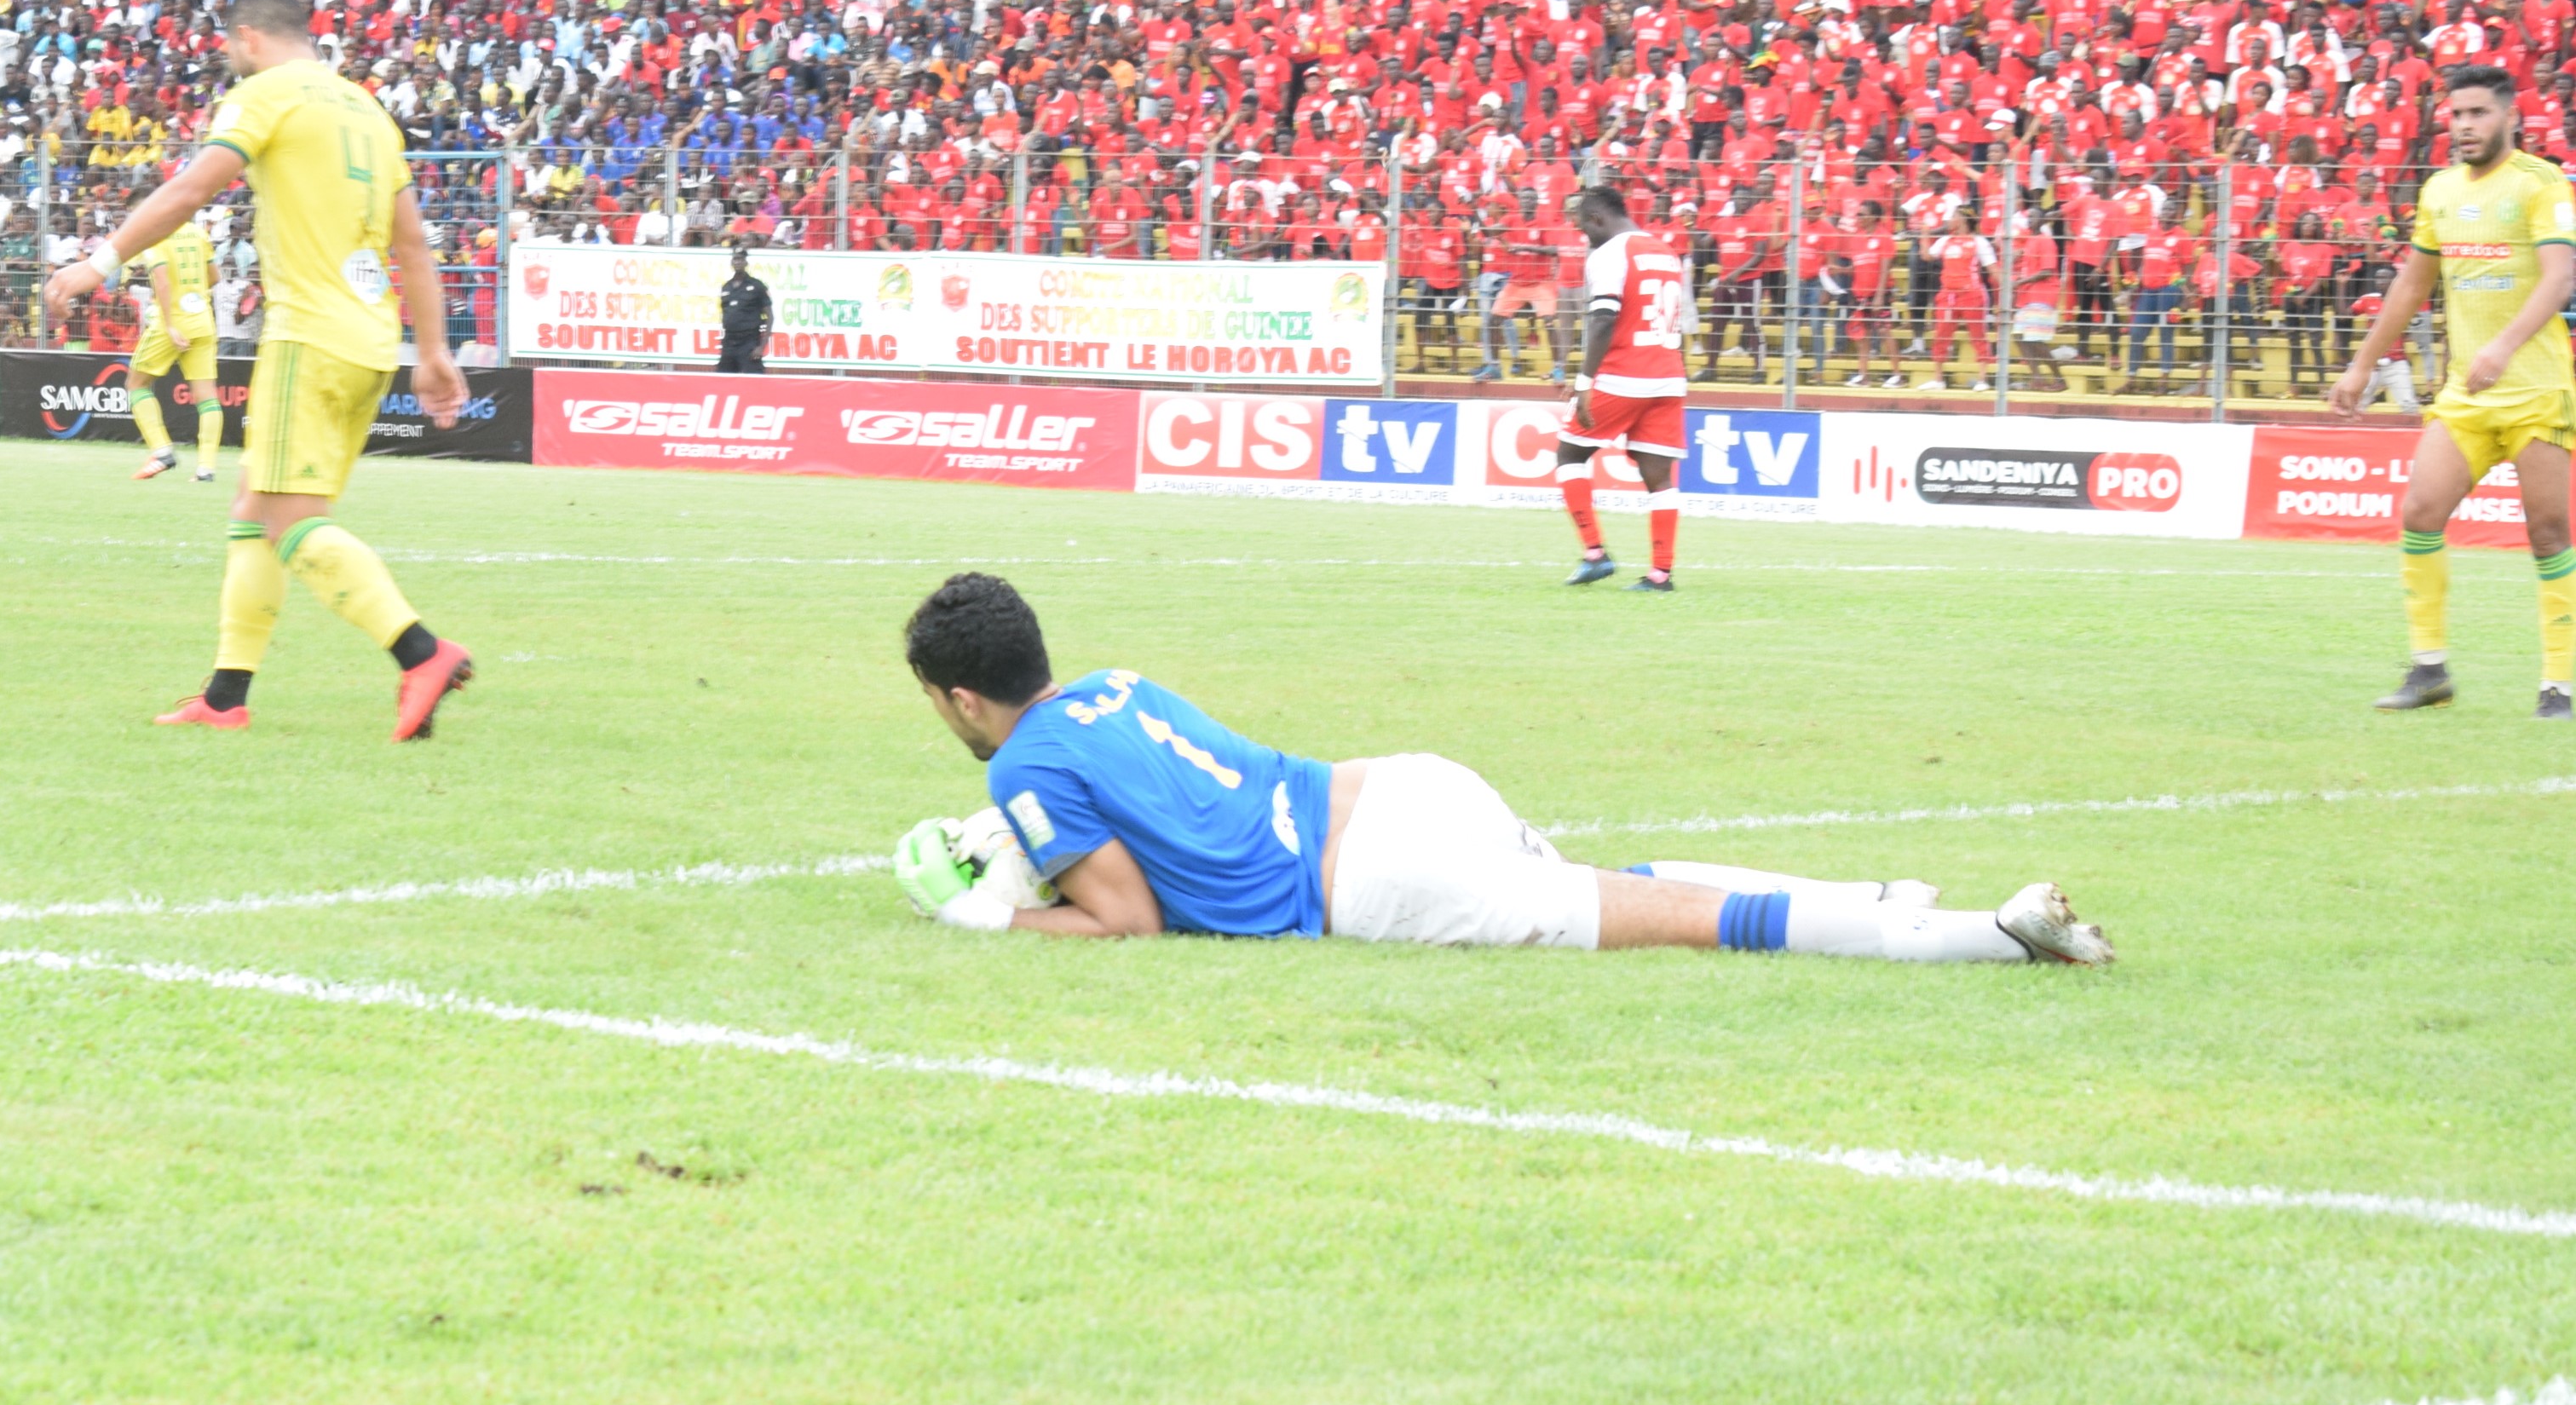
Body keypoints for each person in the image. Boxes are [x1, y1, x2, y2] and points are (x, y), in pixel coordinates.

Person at [895, 573, 2113, 963]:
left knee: (1676, 923)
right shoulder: (1114, 684)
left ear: (959, 698)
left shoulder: (1023, 771)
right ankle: (1880, 897)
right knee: (1628, 886)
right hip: (1404, 785)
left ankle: (1993, 935)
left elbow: (1129, 920)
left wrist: (989, 911)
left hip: (1375, 878)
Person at [44, 0, 476, 741]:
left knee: (289, 523)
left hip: (309, 336)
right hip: (370, 341)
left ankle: (420, 652)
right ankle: (225, 697)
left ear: (248, 38)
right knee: (255, 510)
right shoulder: (368, 111)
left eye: (228, 46)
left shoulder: (266, 93)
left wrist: (99, 263)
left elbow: (191, 190)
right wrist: (434, 352)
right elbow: (413, 245)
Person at [2331, 60, 2576, 717]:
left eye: (2478, 113)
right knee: (2419, 512)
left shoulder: (2540, 183)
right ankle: (2429, 671)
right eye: (2457, 114)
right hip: (2468, 395)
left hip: (2536, 390)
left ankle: (2559, 686)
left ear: (2509, 116)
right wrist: (2361, 366)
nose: (2464, 125)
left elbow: (2559, 277)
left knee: (2548, 533)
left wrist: (2503, 345)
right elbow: (2412, 285)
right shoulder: (2438, 190)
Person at [1556, 185, 1689, 591]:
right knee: (1659, 477)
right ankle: (1660, 575)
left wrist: (1584, 381)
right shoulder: (1665, 251)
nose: (1584, 237)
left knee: (1569, 454)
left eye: (1584, 227)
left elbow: (1604, 318)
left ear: (1597, 218)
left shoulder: (1611, 253)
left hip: (1624, 374)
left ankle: (1595, 554)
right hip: (1668, 374)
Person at [125, 204, 225, 481]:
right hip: (202, 321)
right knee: (207, 397)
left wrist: (170, 324)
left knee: (136, 384)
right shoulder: (198, 233)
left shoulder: (156, 236)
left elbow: (162, 282)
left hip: (171, 324)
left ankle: (162, 451)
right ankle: (206, 470)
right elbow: (215, 277)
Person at [717, 238, 774, 371]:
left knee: (753, 379)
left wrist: (761, 346)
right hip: (729, 341)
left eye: (741, 259)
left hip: (749, 341)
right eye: (735, 259)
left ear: (746, 262)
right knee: (723, 379)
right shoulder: (726, 287)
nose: (738, 262)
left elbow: (770, 317)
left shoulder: (757, 286)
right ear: (732, 262)